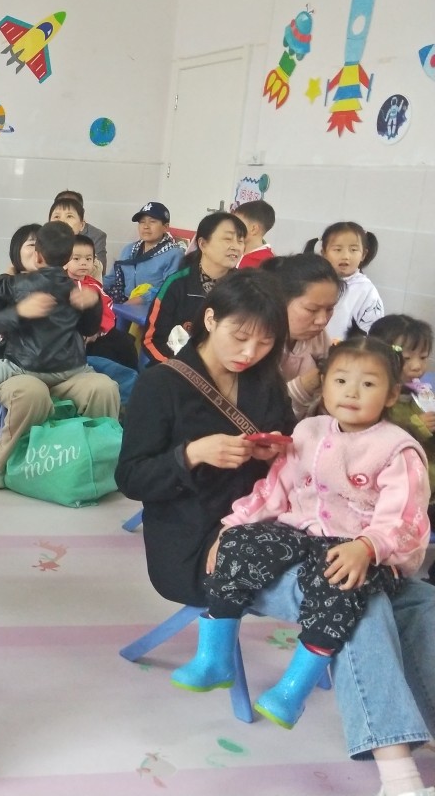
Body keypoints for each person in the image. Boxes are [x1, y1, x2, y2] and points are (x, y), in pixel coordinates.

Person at [116, 270, 435, 796]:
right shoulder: (161, 384)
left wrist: (274, 451)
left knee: (420, 600)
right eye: (240, 336)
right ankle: (397, 770)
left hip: (287, 527)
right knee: (358, 597)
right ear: (210, 319)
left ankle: (418, 726)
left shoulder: (262, 379)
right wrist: (191, 454)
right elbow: (131, 478)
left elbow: (296, 460)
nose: (250, 352)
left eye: (265, 342)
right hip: (208, 542)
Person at [172, 336, 429, 731]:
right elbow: (275, 490)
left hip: (361, 549)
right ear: (323, 384)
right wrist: (234, 525)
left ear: (392, 394)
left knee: (340, 585)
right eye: (340, 381)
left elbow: (405, 519)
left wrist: (367, 547)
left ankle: (293, 690)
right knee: (237, 543)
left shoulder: (397, 449)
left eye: (368, 384)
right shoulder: (309, 430)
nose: (351, 393)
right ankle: (215, 658)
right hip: (301, 534)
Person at [0, 224, 121, 490]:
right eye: (28, 244)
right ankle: (2, 464)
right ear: (17, 253)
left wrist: (92, 305)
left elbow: (89, 329)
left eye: (36, 245)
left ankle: (99, 467)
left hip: (70, 370)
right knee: (31, 394)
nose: (35, 251)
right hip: (21, 368)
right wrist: (19, 312)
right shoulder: (6, 286)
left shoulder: (73, 289)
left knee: (105, 388)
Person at [142, 212, 245, 363]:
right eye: (228, 239)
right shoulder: (177, 284)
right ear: (203, 244)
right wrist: (179, 369)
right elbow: (151, 340)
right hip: (175, 366)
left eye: (240, 241)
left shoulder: (244, 288)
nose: (236, 247)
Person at [261, 254, 342, 420]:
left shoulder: (319, 338)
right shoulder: (258, 343)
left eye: (330, 309)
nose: (322, 320)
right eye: (312, 310)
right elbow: (262, 410)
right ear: (280, 301)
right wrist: (305, 385)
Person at [369, 315, 435, 512]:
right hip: (398, 488)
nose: (417, 366)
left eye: (423, 357)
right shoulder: (375, 397)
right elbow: (378, 440)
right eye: (407, 358)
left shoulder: (420, 391)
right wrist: (418, 426)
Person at [65, 233, 139, 371]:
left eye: (88, 259)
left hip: (100, 331)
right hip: (76, 337)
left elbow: (107, 307)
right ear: (64, 261)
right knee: (105, 354)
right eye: (76, 258)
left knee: (126, 342)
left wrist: (100, 329)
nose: (83, 263)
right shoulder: (62, 285)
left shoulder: (94, 284)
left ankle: (134, 378)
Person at [307, 220, 383, 341]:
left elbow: (372, 330)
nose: (345, 256)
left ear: (363, 254)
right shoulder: (313, 282)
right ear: (324, 253)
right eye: (337, 249)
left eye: (353, 250)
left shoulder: (366, 290)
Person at [103, 201, 186, 305]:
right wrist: (93, 287)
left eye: (152, 221)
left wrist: (142, 299)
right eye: (142, 222)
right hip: (124, 305)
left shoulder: (174, 254)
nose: (146, 226)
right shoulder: (128, 249)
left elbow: (169, 289)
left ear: (165, 227)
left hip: (152, 308)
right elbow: (112, 278)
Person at [48, 195, 104, 278]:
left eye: (69, 216)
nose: (62, 221)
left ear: (82, 225)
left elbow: (96, 286)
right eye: (57, 216)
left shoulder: (93, 264)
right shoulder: (40, 255)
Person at [234, 200, 276, 268]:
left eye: (237, 224)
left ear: (253, 229)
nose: (232, 228)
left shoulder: (266, 264)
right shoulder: (234, 251)